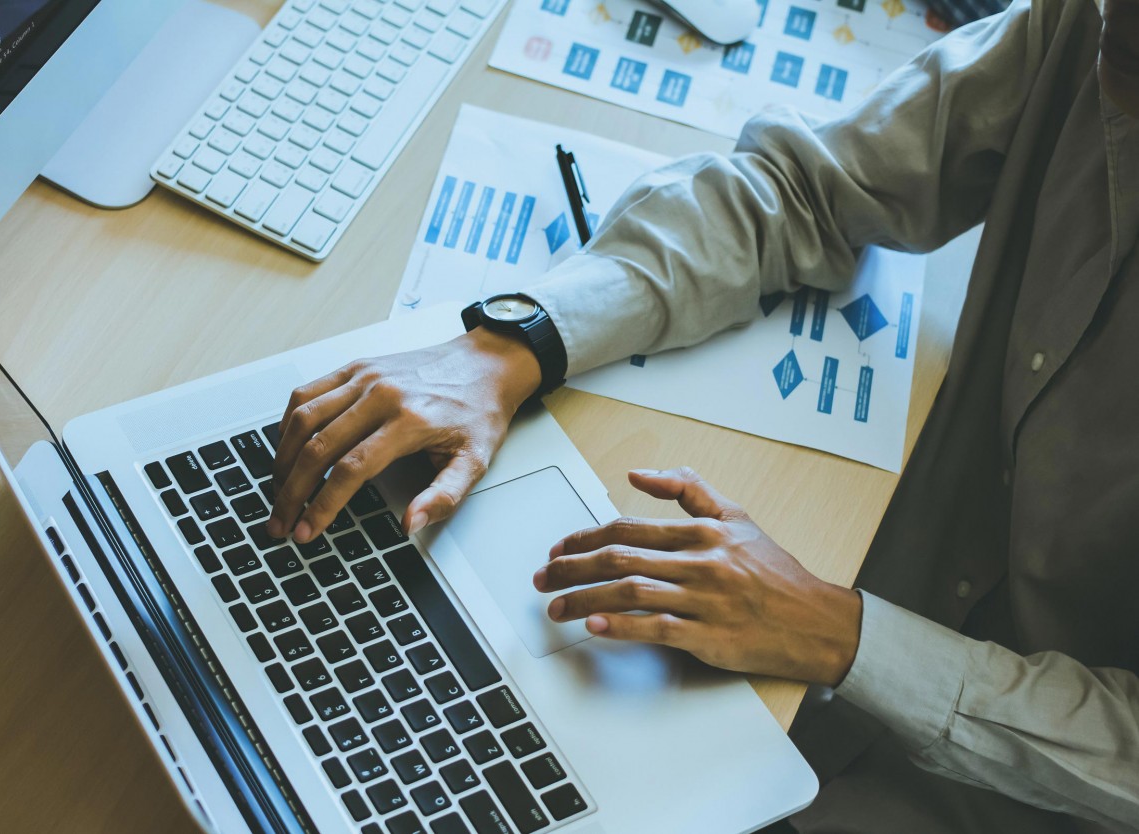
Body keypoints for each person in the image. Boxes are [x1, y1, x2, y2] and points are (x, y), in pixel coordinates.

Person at [264, 0, 1139, 828]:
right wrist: (516, 343)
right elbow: (802, 188)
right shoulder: (1088, 21)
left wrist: (842, 634)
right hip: (855, 601)